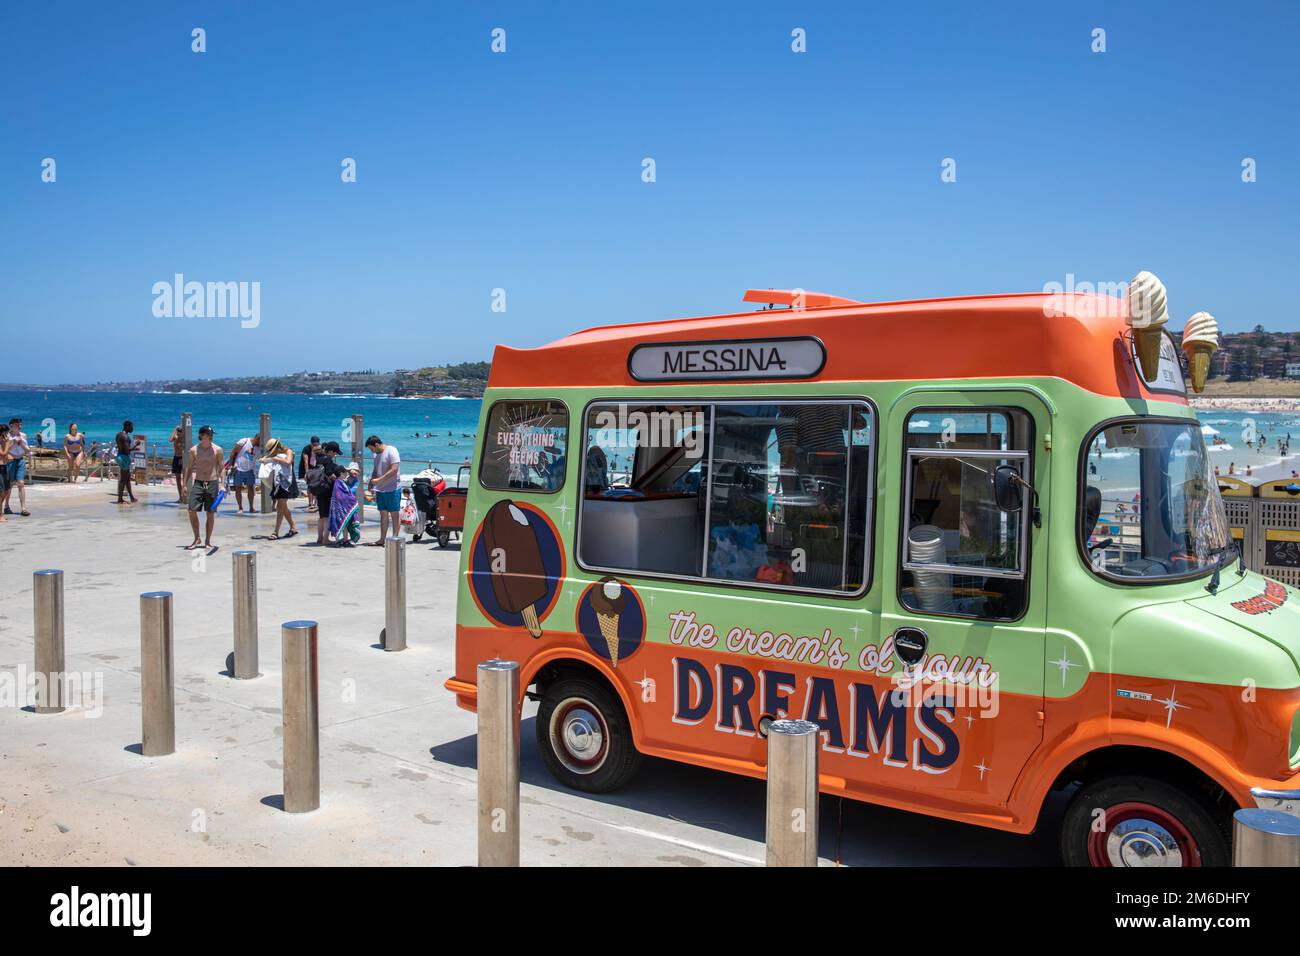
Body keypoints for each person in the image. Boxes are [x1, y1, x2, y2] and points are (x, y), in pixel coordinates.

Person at [184, 426, 225, 551]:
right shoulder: (194, 450)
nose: (211, 435)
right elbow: (189, 468)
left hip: (212, 483)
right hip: (199, 483)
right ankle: (197, 538)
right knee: (191, 510)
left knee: (210, 513)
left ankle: (207, 541)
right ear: (202, 435)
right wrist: (184, 484)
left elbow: (222, 468)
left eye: (212, 433)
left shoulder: (218, 450)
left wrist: (222, 484)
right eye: (208, 433)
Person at [306, 440, 346, 544]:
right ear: (331, 451)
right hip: (327, 491)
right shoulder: (328, 460)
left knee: (321, 516)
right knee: (327, 516)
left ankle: (319, 538)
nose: (336, 454)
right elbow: (330, 474)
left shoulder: (319, 459)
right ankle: (325, 539)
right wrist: (340, 480)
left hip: (319, 490)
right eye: (336, 452)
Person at [365, 434, 401, 545]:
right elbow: (375, 470)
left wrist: (380, 480)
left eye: (372, 449)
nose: (372, 452)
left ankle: (395, 538)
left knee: (395, 514)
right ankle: (382, 539)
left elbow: (394, 469)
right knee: (383, 514)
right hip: (380, 490)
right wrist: (371, 482)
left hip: (393, 488)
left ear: (376, 444)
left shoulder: (392, 450)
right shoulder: (376, 455)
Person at [261, 438, 299, 539]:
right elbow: (265, 458)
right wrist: (264, 459)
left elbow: (288, 461)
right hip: (277, 481)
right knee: (283, 507)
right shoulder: (274, 454)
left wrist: (276, 458)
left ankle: (276, 532)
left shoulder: (288, 451)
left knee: (279, 507)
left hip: (287, 481)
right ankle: (293, 527)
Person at [225, 434, 261, 512]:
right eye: (260, 441)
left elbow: (261, 458)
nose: (261, 443)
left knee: (251, 488)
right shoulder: (244, 441)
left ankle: (251, 507)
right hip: (238, 468)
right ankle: (240, 508)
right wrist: (231, 465)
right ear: (257, 439)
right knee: (238, 488)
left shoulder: (259, 448)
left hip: (250, 470)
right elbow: (233, 452)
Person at [5, 418, 31, 516]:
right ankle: (6, 506)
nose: (19, 427)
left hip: (20, 459)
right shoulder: (7, 436)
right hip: (10, 460)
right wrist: (14, 442)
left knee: (21, 483)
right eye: (17, 425)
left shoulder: (23, 435)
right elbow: (5, 450)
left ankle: (23, 508)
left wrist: (22, 443)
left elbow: (27, 450)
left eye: (20, 425)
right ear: (11, 426)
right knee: (10, 484)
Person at [114, 420, 140, 504]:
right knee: (124, 480)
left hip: (120, 456)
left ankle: (131, 497)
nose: (132, 428)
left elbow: (119, 447)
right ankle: (120, 499)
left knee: (127, 479)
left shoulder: (118, 435)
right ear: (127, 427)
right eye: (131, 426)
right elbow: (127, 450)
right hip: (124, 458)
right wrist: (136, 445)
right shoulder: (125, 437)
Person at [298, 436, 323, 514]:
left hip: (316, 467)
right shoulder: (306, 448)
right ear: (311, 443)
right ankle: (310, 503)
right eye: (313, 444)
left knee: (317, 485)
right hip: (308, 467)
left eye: (316, 444)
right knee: (310, 485)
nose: (315, 446)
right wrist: (307, 473)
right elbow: (305, 461)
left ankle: (317, 502)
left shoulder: (320, 448)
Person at [169, 425, 187, 503]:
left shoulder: (184, 439)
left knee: (184, 479)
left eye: (181, 431)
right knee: (178, 479)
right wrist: (175, 429)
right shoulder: (176, 438)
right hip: (176, 458)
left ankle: (184, 496)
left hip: (182, 458)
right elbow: (170, 439)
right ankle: (180, 497)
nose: (179, 433)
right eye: (178, 431)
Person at [0, 422, 10, 523]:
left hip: (4, 466)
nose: (7, 435)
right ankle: (0, 515)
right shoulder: (3, 442)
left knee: (6, 490)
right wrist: (6, 443)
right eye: (6, 433)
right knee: (1, 492)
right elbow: (3, 453)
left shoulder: (3, 442)